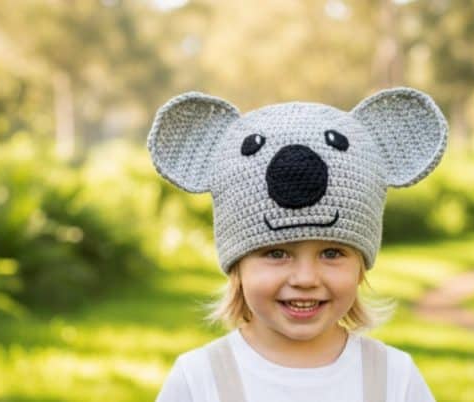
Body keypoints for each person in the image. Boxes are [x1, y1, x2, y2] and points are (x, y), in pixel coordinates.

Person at [147, 87, 447, 402]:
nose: (305, 279)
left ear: (361, 266)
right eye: (276, 253)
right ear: (237, 265)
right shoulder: (199, 378)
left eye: (332, 253)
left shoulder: (393, 377)